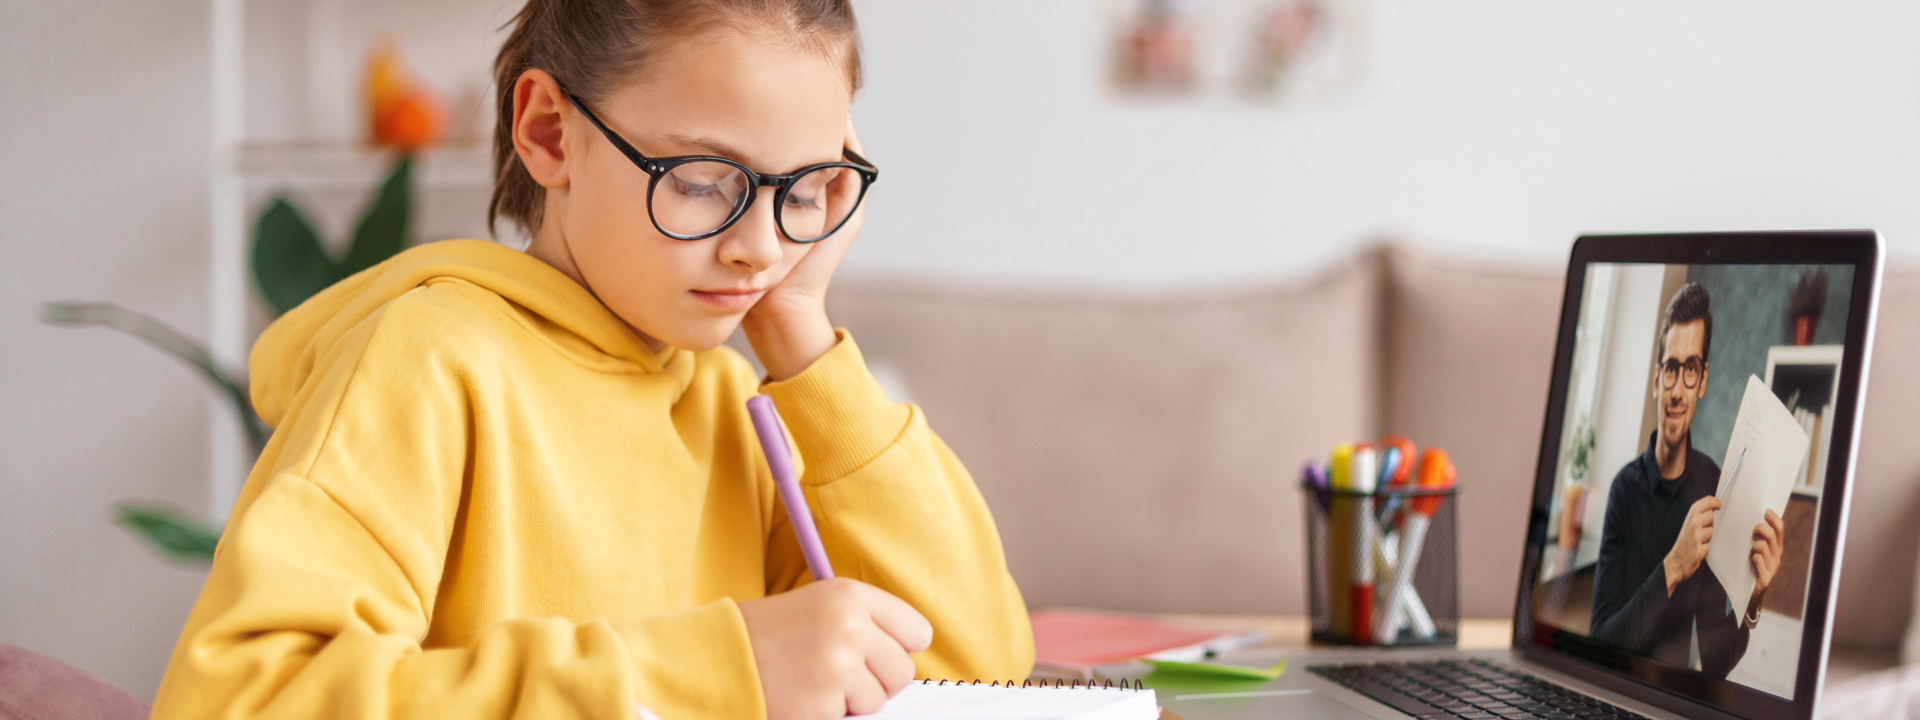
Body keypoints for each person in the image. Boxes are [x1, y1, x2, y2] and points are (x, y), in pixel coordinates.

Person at [150, 2, 1033, 718]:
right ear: (546, 132)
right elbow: (241, 699)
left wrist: (801, 329)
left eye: (804, 191)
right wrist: (713, 672)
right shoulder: (430, 362)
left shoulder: (733, 403)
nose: (761, 247)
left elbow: (974, 668)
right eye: (702, 179)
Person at [1589, 283, 1786, 678]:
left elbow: (1714, 661)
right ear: (1656, 379)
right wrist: (1673, 566)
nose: (1678, 391)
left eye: (1691, 370)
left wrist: (1753, 601)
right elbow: (1599, 643)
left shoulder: (1713, 484)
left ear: (1703, 379)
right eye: (1671, 369)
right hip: (1613, 693)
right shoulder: (1622, 490)